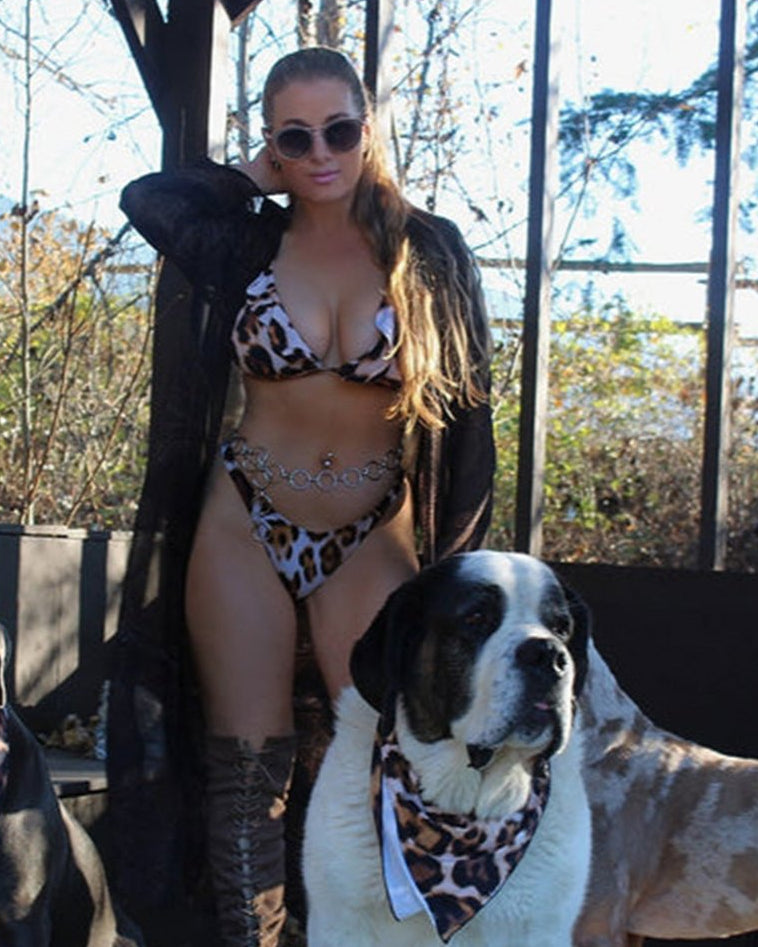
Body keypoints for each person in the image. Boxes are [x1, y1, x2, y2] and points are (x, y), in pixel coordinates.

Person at [107, 46, 495, 947]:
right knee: (247, 774)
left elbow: (469, 425)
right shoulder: (247, 238)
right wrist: (248, 176)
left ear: (370, 130)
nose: (321, 152)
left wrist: (459, 571)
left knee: (396, 758)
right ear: (274, 145)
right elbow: (150, 202)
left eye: (340, 130)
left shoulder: (427, 250)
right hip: (245, 517)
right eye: (296, 135)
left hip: (372, 529)